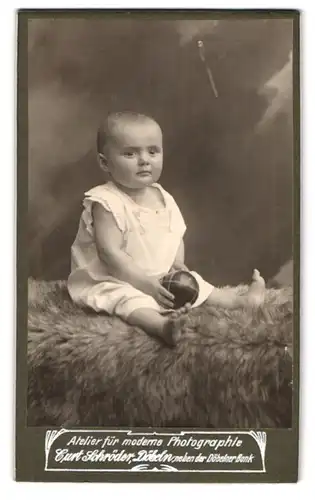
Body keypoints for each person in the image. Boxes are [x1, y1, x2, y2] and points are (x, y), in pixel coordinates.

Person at [68, 112, 265, 346]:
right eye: (130, 153)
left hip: (157, 276)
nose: (144, 160)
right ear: (104, 162)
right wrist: (143, 283)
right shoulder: (106, 202)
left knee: (197, 284)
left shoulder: (163, 197)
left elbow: (174, 234)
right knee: (127, 300)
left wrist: (176, 263)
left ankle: (240, 302)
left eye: (153, 151)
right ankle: (161, 326)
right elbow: (110, 254)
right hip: (112, 278)